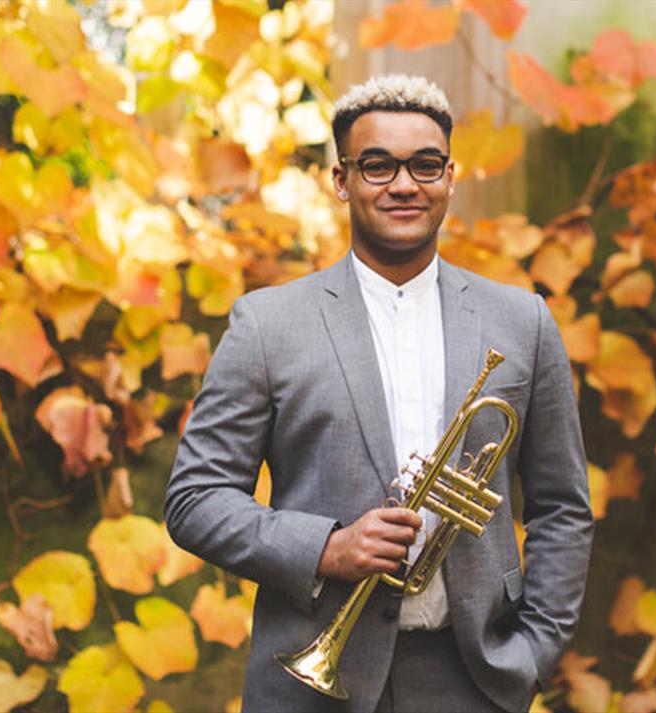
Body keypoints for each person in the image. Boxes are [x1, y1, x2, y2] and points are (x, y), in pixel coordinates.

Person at [165, 74, 592, 713]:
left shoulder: (522, 321)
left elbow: (563, 506)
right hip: (306, 681)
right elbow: (195, 501)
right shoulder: (268, 324)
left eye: (424, 165)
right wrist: (327, 548)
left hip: (475, 678)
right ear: (342, 181)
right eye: (377, 166)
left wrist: (535, 652)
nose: (402, 185)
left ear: (450, 176)